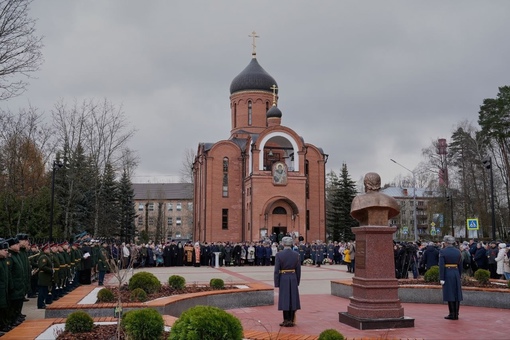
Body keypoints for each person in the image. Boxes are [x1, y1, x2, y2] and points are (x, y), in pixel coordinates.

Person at [274, 236, 301, 327]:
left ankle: (286, 320)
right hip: (293, 277)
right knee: (293, 299)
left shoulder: (279, 255)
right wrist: (297, 281)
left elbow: (276, 270)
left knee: (285, 299)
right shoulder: (296, 254)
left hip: (284, 278)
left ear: (283, 244)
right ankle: (291, 320)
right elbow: (298, 270)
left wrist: (276, 283)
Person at [439, 235, 463, 320]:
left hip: (447, 273)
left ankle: (452, 313)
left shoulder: (443, 252)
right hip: (456, 272)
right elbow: (460, 265)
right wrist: (459, 275)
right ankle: (456, 313)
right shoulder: (458, 251)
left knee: (450, 293)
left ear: (446, 243)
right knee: (457, 294)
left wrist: (441, 278)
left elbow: (441, 266)